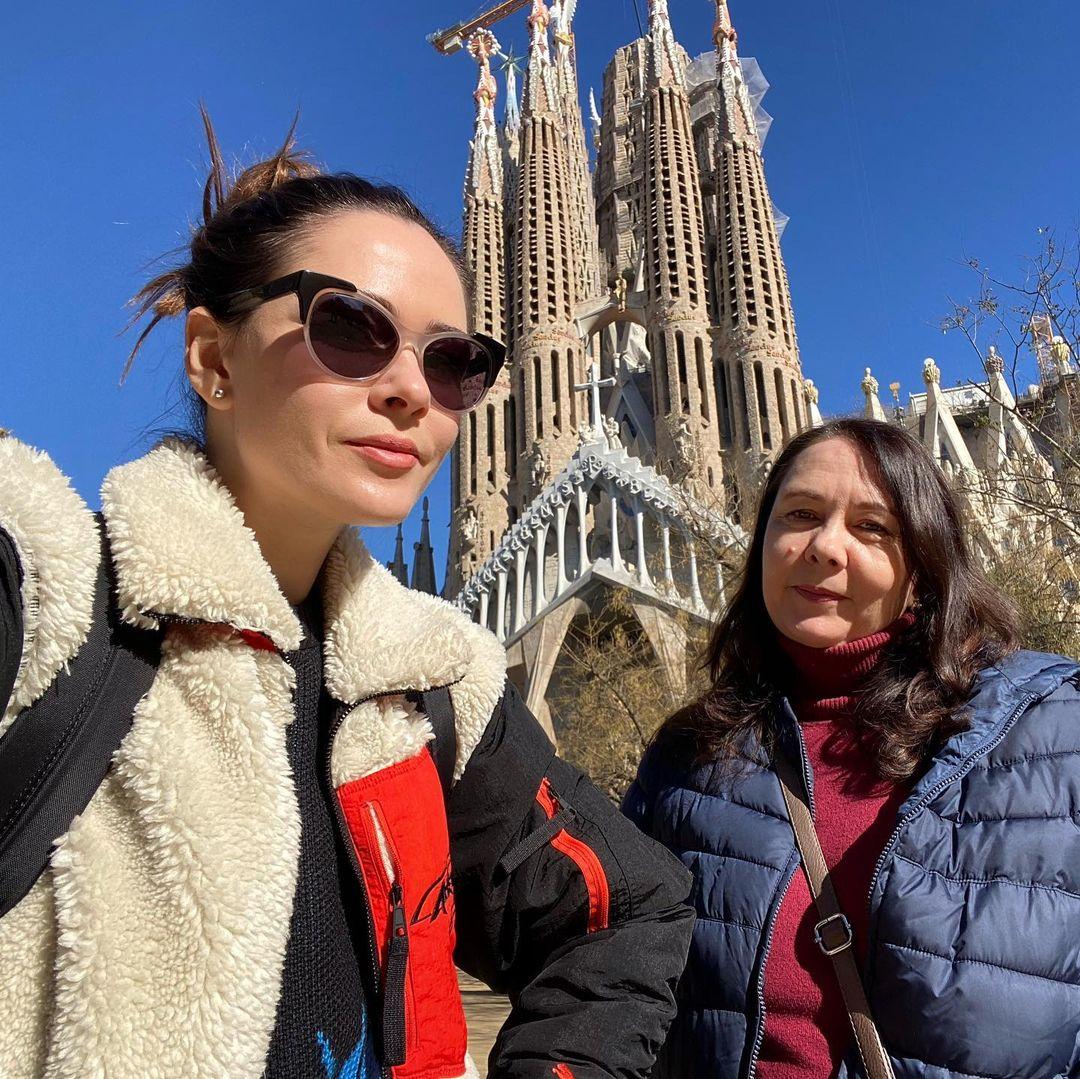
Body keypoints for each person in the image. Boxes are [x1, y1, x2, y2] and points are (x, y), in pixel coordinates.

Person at [0, 114, 693, 1079]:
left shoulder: (430, 686)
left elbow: (631, 909)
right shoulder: (50, 597)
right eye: (350, 327)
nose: (411, 388)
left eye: (453, 361)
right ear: (214, 359)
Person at [625, 417, 1080, 1078]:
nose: (825, 547)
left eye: (872, 526)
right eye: (800, 514)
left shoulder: (1052, 729)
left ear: (923, 566)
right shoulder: (689, 757)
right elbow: (611, 972)